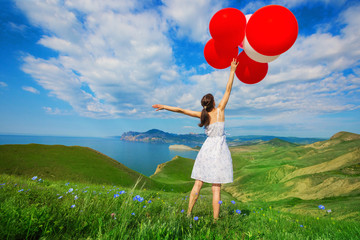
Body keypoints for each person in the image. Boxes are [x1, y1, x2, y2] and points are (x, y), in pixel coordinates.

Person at [152, 58, 239, 221]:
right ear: (213, 102)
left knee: (198, 183)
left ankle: (188, 214)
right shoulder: (220, 111)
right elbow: (228, 90)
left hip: (207, 150)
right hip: (220, 151)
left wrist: (164, 106)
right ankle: (215, 220)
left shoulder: (202, 115)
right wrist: (232, 70)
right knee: (216, 188)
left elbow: (180, 110)